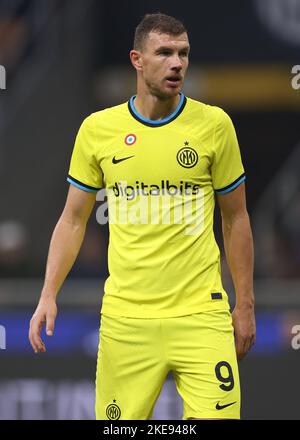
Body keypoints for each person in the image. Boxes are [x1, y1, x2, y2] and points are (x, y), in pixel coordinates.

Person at [29, 12, 256, 420]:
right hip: (126, 321)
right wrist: (48, 293)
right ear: (137, 59)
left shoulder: (214, 125)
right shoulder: (98, 130)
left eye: (183, 54)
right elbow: (73, 219)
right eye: (165, 53)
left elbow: (236, 219)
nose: (177, 63)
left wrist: (245, 304)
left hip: (201, 316)